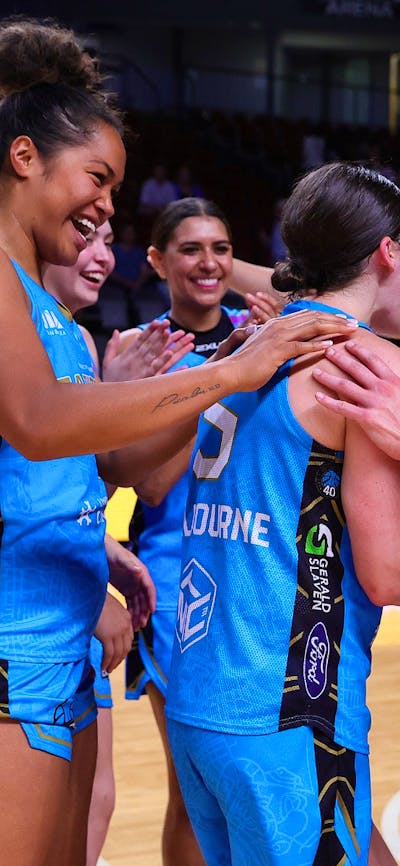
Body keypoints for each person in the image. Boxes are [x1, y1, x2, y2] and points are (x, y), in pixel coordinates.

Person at [0, 17, 361, 865]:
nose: (107, 207)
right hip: (20, 641)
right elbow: (39, 423)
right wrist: (231, 373)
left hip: (66, 637)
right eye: (97, 178)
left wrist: (97, 548)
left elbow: (89, 465)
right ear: (23, 155)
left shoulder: (48, 306)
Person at [164, 162, 400, 866]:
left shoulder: (254, 343)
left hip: (200, 701)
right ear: (388, 251)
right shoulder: (362, 364)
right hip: (290, 708)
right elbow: (387, 574)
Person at [123, 196, 280, 866]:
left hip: (255, 575)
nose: (208, 263)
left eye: (221, 248)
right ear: (157, 261)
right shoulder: (139, 349)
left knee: (252, 779)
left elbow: (315, 289)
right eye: (189, 249)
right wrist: (225, 377)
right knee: (193, 791)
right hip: (175, 583)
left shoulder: (266, 334)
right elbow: (151, 485)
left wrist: (256, 345)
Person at [42, 217, 196, 866]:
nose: (101, 254)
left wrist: (101, 552)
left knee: (94, 802)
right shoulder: (23, 334)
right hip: (37, 614)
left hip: (76, 602)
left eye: (109, 237)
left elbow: (77, 484)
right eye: (85, 232)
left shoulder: (78, 340)